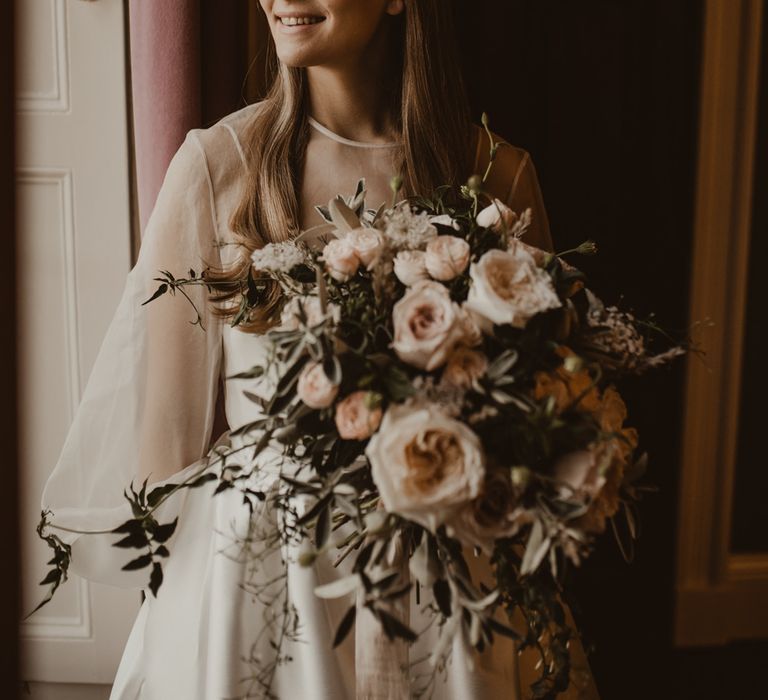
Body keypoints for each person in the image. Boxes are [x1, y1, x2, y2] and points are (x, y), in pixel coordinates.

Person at [40, 1, 600, 697]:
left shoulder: (497, 176)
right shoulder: (218, 167)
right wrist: (190, 614)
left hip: (445, 579)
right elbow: (168, 442)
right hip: (263, 582)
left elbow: (543, 415)